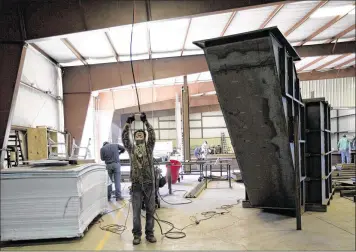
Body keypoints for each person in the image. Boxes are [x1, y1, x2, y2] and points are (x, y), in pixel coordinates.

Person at [122, 112, 157, 245]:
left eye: (141, 134)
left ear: (144, 136)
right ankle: (137, 235)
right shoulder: (131, 149)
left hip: (149, 183)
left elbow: (152, 135)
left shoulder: (149, 148)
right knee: (136, 211)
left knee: (150, 210)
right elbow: (125, 138)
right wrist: (128, 123)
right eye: (136, 134)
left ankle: (150, 233)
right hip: (136, 184)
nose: (139, 135)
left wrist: (145, 122)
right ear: (134, 137)